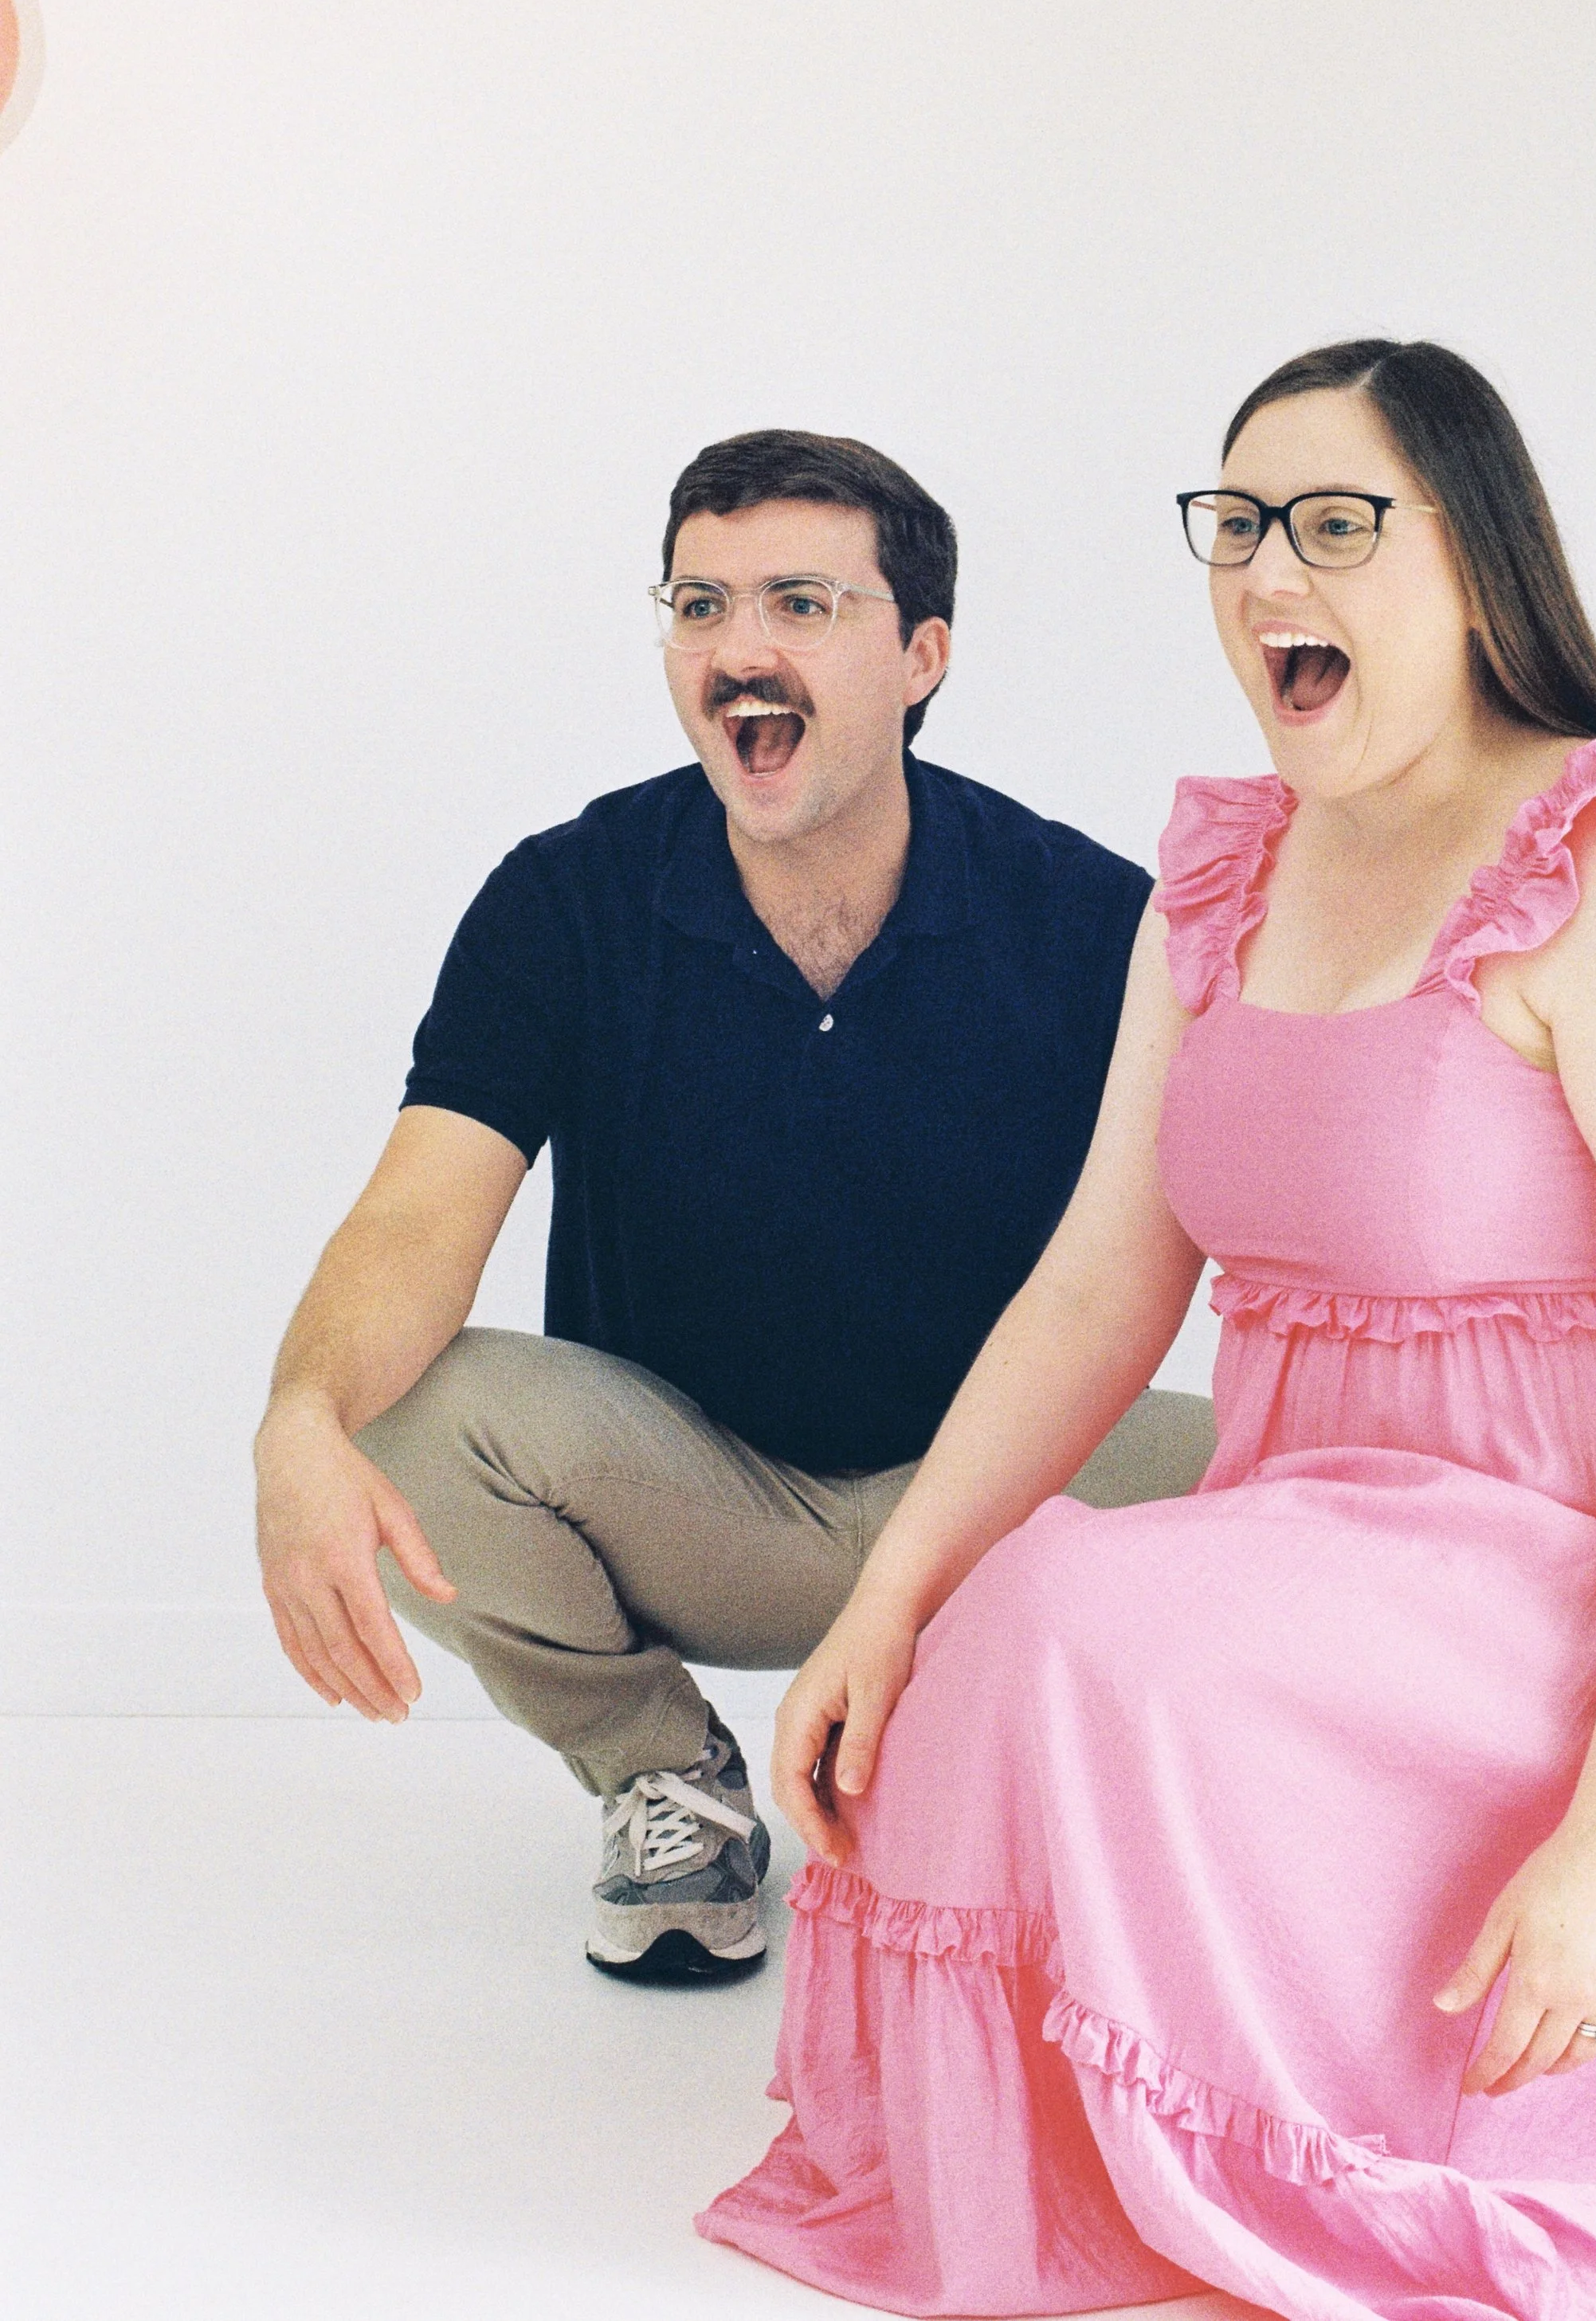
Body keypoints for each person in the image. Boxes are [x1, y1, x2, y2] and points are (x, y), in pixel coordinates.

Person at [700, 345, 1596, 2317]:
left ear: (1471, 560)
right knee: (985, 1627)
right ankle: (1101, 2124)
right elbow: (1096, 1282)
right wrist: (885, 1598)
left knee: (1077, 1618)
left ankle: (1302, 2100)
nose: (1263, 575)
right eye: (1234, 527)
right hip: (1337, 1539)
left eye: (1328, 523)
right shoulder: (1225, 874)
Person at [253, 429, 1214, 1985]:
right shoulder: (566, 896)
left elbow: (1262, 1220)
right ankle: (666, 1775)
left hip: (997, 1500)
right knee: (400, 1415)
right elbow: (418, 1216)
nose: (738, 647)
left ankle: (1008, 1763)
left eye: (799, 604)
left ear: (922, 655)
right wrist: (298, 1413)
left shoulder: (1092, 917)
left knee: (1310, 1466)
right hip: (695, 1505)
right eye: (699, 605)